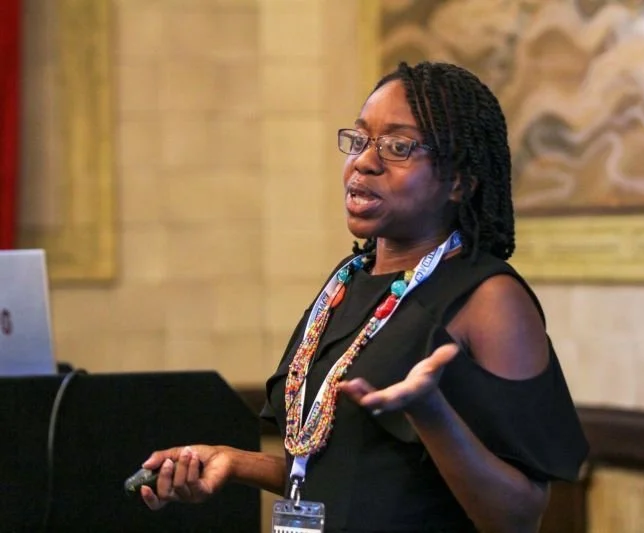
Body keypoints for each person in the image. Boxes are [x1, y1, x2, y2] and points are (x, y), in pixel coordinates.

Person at [141, 61, 588, 533]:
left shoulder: (490, 299)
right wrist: (234, 462)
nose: (364, 161)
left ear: (459, 181)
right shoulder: (345, 282)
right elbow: (346, 476)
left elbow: (518, 517)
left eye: (398, 147)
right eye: (359, 140)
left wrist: (430, 413)